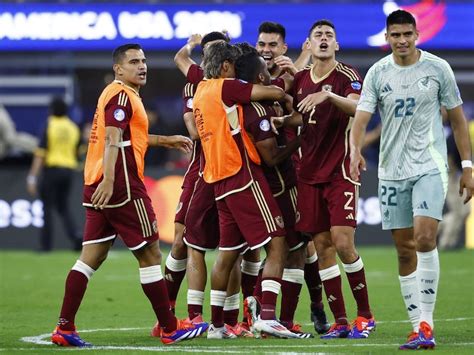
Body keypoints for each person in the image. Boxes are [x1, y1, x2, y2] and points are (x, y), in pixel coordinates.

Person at [50, 43, 208, 347]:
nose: (142, 66)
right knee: (150, 254)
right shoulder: (122, 94)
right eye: (134, 61)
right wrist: (110, 180)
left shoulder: (116, 94)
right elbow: (112, 138)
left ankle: (65, 327)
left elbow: (126, 136)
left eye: (144, 61)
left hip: (97, 182)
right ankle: (169, 328)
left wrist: (165, 140)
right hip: (121, 184)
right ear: (118, 69)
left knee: (90, 257)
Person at [349, 10, 473, 350]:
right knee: (404, 250)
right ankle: (415, 325)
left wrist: (467, 165)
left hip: (429, 166)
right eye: (395, 35)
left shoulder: (437, 68)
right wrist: (355, 150)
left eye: (407, 34)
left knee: (423, 237)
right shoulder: (378, 73)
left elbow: (459, 121)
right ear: (387, 38)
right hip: (391, 170)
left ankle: (427, 326)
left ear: (417, 34)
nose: (401, 40)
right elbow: (360, 119)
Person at [274, 19, 375, 339]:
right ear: (309, 43)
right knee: (322, 247)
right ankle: (341, 321)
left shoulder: (346, 76)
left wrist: (329, 96)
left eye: (329, 36)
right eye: (318, 35)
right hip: (308, 174)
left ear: (336, 46)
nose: (323, 39)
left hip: (340, 172)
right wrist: (282, 119)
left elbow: (360, 108)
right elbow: (301, 115)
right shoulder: (301, 78)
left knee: (344, 242)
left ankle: (366, 316)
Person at [192, 41, 299, 339]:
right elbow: (272, 92)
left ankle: (216, 326)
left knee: (227, 254)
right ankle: (267, 316)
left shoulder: (201, 91)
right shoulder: (225, 87)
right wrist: (286, 94)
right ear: (226, 66)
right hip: (241, 176)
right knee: (278, 242)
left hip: (218, 181)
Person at [256, 23, 328, 333]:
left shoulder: (298, 78)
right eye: (262, 44)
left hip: (294, 172)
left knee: (302, 245)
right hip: (258, 173)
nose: (266, 49)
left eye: (273, 44)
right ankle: (250, 312)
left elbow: (297, 105)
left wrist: (297, 68)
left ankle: (308, 307)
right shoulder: (251, 77)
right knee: (275, 247)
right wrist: (298, 62)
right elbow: (275, 90)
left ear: (283, 48)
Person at [26, 97, 82, 252]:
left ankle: (46, 245)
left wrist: (32, 177)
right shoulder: (73, 127)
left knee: (47, 208)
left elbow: (41, 153)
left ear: (51, 110)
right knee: (63, 207)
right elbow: (78, 152)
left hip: (52, 170)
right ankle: (76, 235)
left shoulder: (49, 124)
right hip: (69, 171)